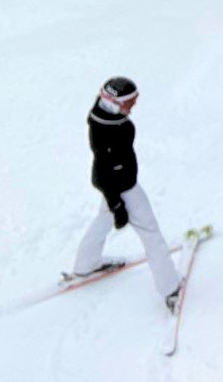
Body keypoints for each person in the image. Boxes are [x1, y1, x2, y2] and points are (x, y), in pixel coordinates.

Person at [74, 76, 183, 310]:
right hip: (123, 189)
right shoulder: (111, 131)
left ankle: (86, 263)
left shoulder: (106, 119)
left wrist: (112, 203)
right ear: (114, 102)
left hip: (117, 186)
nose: (133, 106)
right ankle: (170, 287)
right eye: (130, 102)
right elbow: (104, 173)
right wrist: (117, 204)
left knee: (103, 220)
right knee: (151, 233)